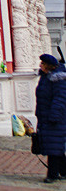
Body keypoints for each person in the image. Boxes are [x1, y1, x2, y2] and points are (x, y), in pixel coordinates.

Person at [35, 53, 66, 183]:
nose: (40, 65)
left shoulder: (58, 79)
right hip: (46, 116)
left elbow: (60, 98)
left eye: (42, 63)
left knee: (53, 146)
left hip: (55, 118)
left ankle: (52, 174)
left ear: (48, 66)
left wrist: (54, 115)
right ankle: (64, 171)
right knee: (55, 145)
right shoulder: (45, 77)